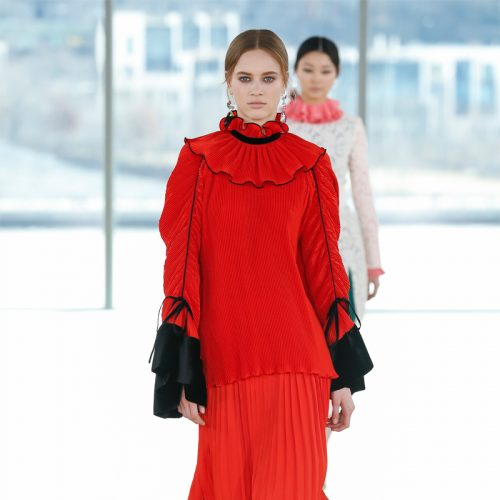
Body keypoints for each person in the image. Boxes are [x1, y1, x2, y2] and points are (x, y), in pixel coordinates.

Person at [148, 29, 374, 500]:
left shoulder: (312, 163)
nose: (256, 89)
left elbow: (325, 269)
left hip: (298, 362)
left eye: (268, 78)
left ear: (285, 83)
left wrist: (342, 376)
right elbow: (182, 265)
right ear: (228, 82)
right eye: (245, 77)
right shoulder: (198, 159)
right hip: (225, 363)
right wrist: (183, 366)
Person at [287, 36, 385, 324]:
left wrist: (373, 262)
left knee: (342, 336)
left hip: (343, 243)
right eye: (308, 69)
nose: (316, 78)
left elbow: (363, 195)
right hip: (291, 241)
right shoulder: (280, 123)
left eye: (325, 71)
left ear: (337, 73)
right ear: (296, 70)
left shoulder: (350, 127)